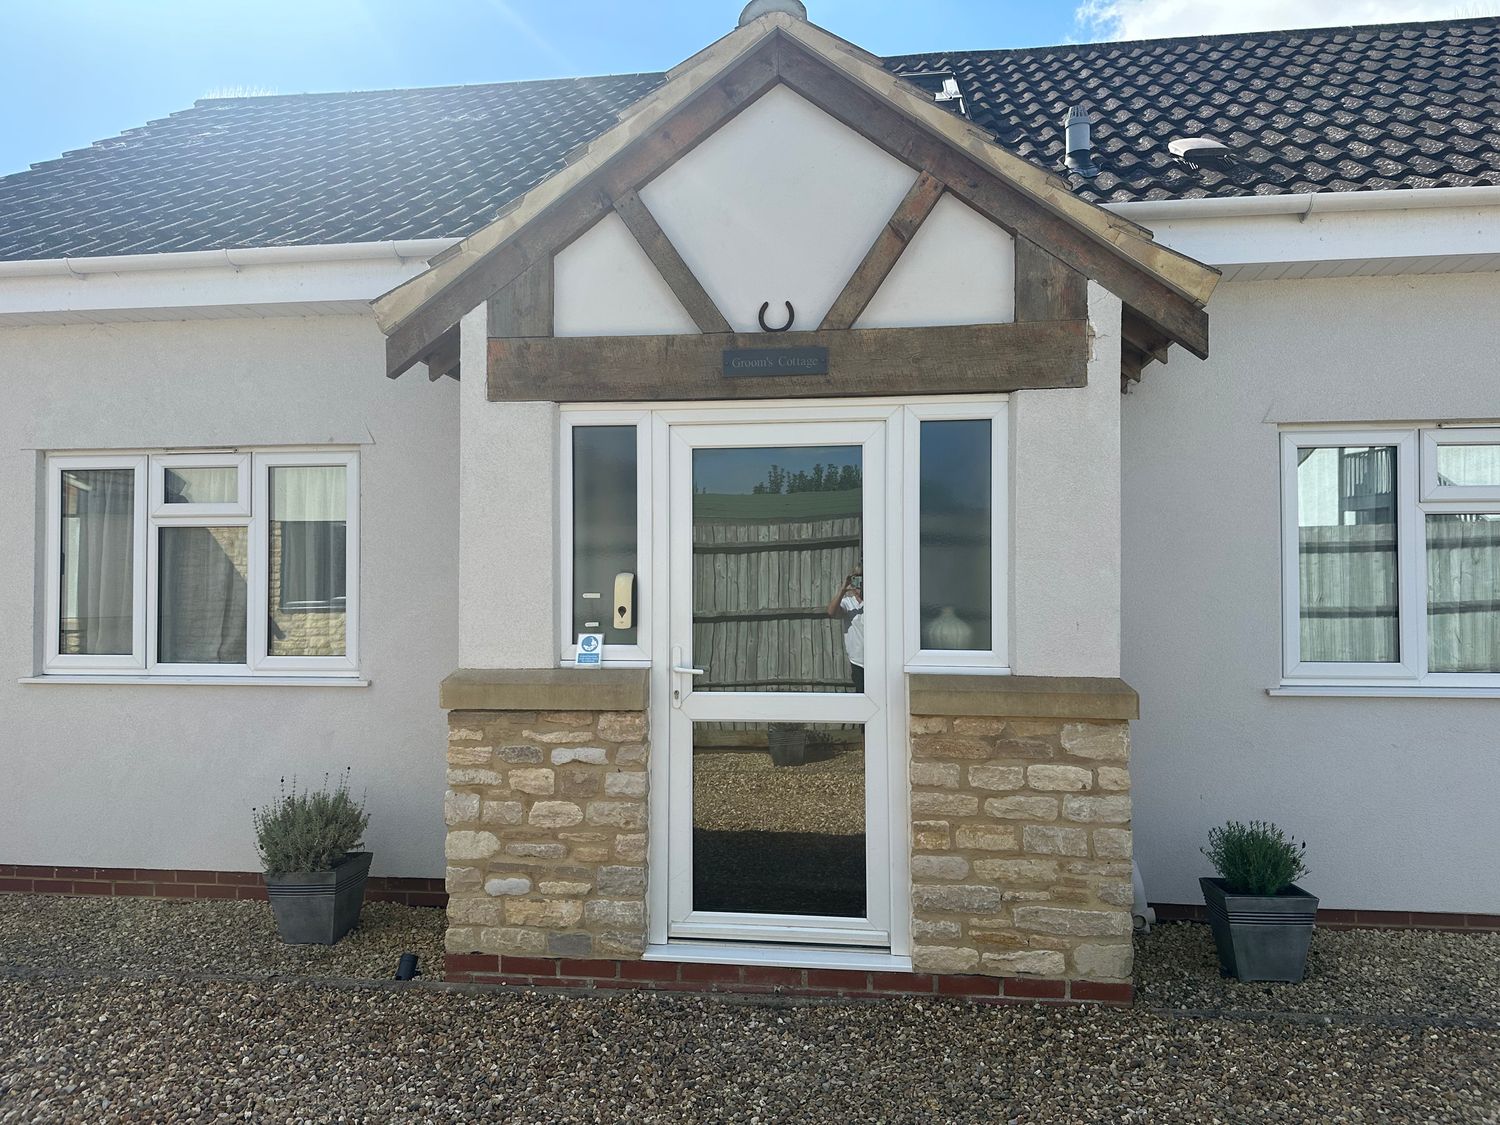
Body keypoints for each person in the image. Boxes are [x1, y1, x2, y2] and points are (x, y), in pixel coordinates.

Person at [826, 563, 865, 693]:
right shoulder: (848, 603)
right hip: (858, 661)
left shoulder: (876, 599)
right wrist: (843, 588)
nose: (859, 582)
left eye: (862, 578)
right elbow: (832, 612)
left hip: (878, 659)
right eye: (855, 578)